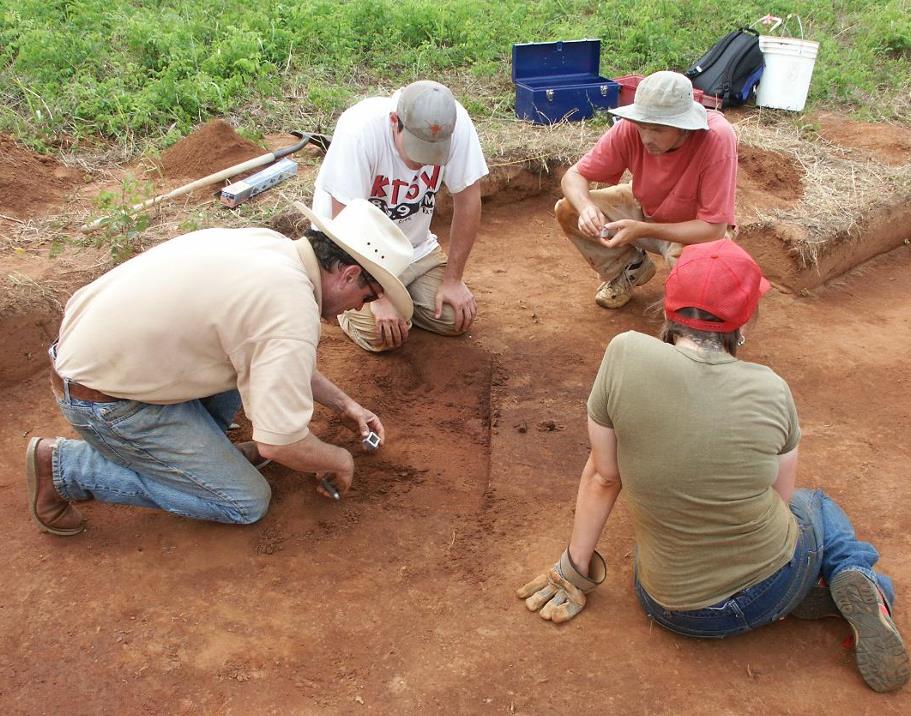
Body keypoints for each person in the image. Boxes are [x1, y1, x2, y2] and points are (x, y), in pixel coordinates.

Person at [517, 240, 909, 693]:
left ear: (668, 306)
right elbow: (780, 503)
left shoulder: (624, 355)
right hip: (763, 587)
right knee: (814, 504)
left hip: (667, 606)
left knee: (665, 537)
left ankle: (805, 592)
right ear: (743, 319)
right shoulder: (771, 389)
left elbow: (605, 475)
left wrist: (572, 571)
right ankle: (853, 577)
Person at [25, 199, 414, 535]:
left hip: (101, 361)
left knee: (255, 362)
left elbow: (273, 356)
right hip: (104, 402)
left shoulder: (272, 247)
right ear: (348, 274)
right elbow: (279, 443)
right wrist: (339, 459)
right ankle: (64, 468)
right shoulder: (289, 306)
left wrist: (345, 405)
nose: (361, 308)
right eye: (368, 295)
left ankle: (205, 454)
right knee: (244, 501)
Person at [312, 80, 489, 352]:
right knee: (380, 335)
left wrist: (453, 280)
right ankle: (348, 310)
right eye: (417, 150)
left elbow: (468, 202)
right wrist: (377, 297)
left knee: (454, 319)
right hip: (353, 257)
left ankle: (404, 301)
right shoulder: (359, 131)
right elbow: (345, 225)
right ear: (395, 121)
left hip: (413, 251)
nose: (424, 163)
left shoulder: (456, 123)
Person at [555, 70, 737, 309]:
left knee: (697, 280)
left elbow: (713, 228)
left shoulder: (717, 139)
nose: (646, 137)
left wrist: (642, 230)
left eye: (658, 129)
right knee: (569, 209)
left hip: (693, 231)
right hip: (645, 207)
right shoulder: (631, 129)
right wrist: (586, 208)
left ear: (684, 126)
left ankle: (693, 312)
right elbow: (574, 176)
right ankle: (631, 268)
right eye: (642, 125)